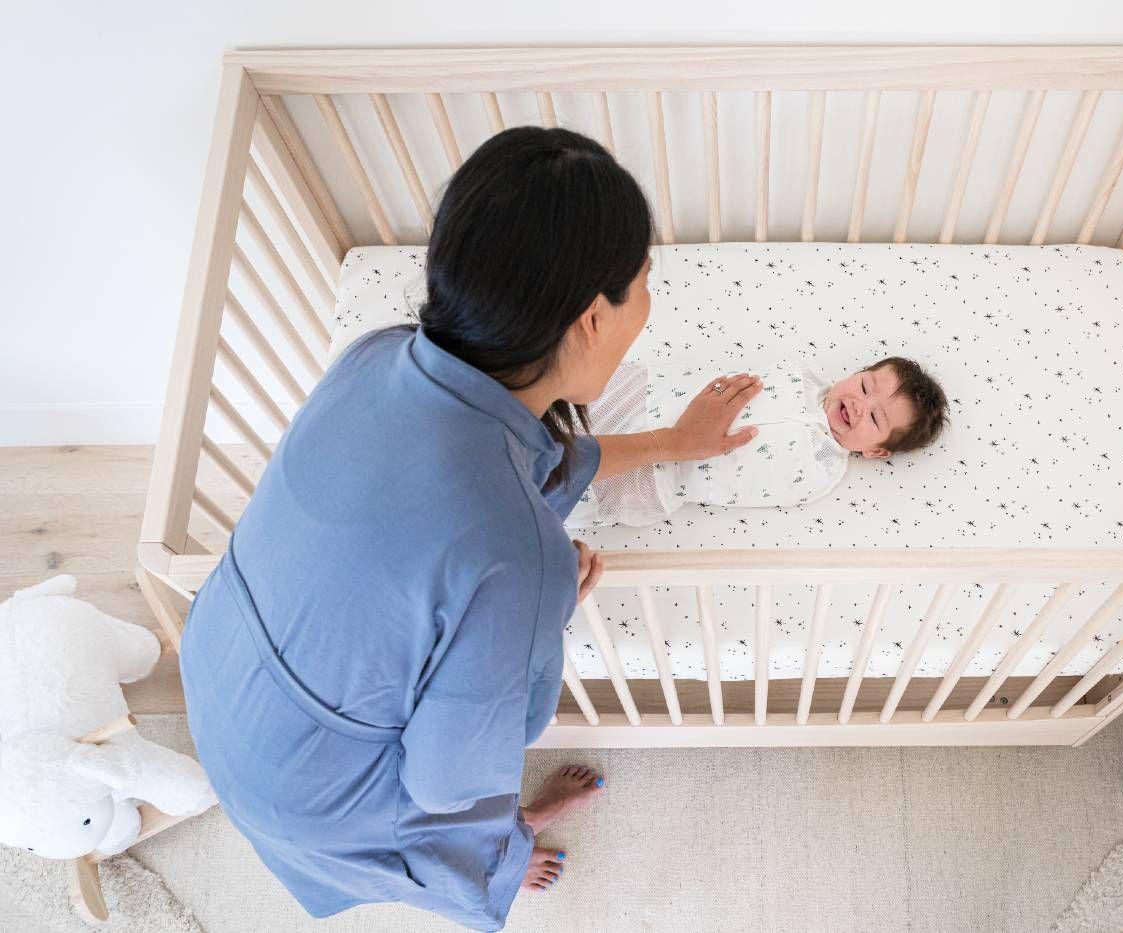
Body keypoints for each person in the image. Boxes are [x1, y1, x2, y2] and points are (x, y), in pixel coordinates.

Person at [178, 126, 759, 931]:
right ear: (592, 318)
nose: (649, 304)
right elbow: (453, 783)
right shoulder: (515, 552)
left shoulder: (381, 356)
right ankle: (517, 852)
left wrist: (670, 443)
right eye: (645, 283)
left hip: (217, 666)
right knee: (471, 835)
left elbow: (528, 466)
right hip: (312, 788)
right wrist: (536, 607)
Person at [567, 354, 948, 528]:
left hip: (659, 474)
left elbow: (748, 490)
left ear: (875, 451)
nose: (860, 405)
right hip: (652, 395)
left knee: (566, 486)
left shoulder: (822, 472)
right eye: (865, 385)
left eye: (876, 417)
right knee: (571, 395)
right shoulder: (799, 375)